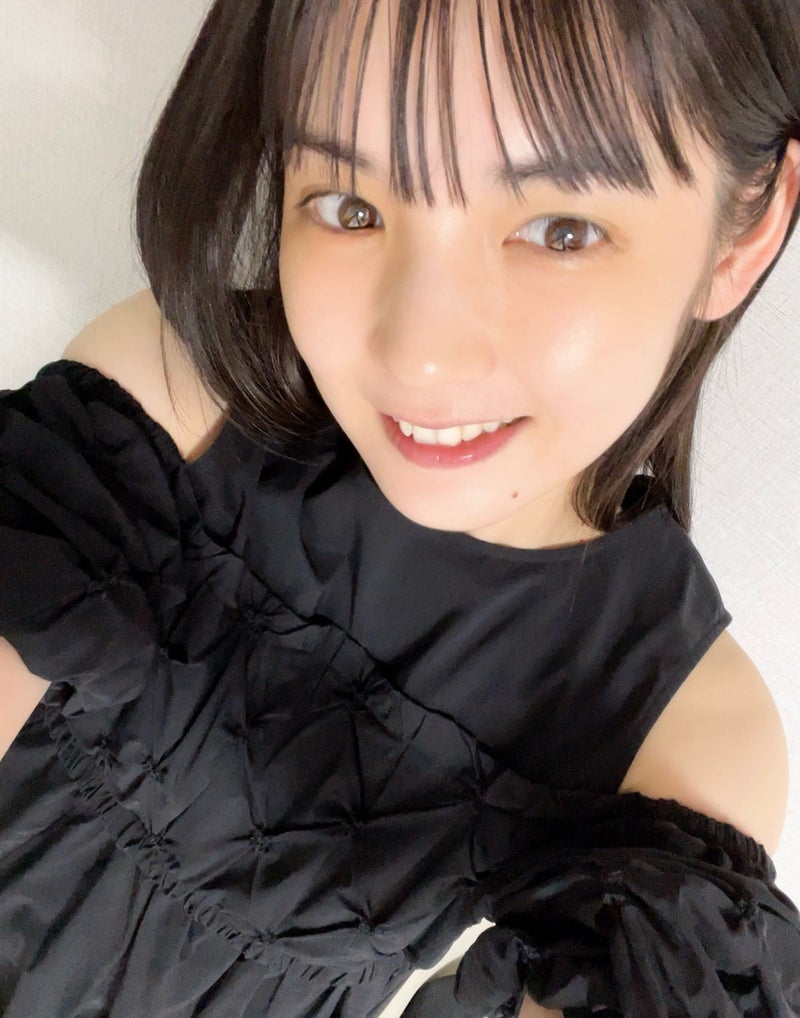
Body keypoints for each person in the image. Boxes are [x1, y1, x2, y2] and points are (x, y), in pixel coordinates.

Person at [1, 1, 799, 1015]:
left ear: (744, 229)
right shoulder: (175, 398)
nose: (417, 356)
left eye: (560, 230)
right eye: (348, 205)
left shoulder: (682, 744)